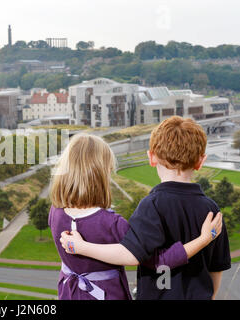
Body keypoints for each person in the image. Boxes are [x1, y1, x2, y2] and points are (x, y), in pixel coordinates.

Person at [60, 116, 231, 300]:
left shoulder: (151, 206)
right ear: (200, 161)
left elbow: (131, 254)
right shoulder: (212, 211)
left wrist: (81, 247)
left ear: (151, 157)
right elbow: (216, 267)